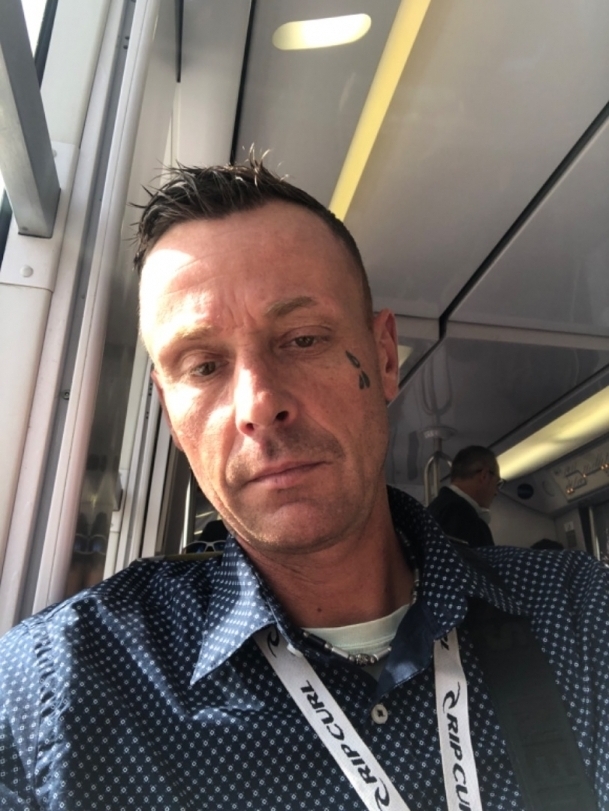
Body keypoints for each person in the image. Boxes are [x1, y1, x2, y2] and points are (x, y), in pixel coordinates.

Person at [0, 160, 608, 811]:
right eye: (202, 366)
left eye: (302, 339)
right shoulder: (54, 692)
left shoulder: (580, 617)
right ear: (170, 413)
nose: (258, 405)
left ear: (382, 358)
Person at [427, 446, 502, 548]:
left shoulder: (437, 508)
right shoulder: (463, 516)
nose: (496, 492)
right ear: (484, 476)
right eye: (497, 483)